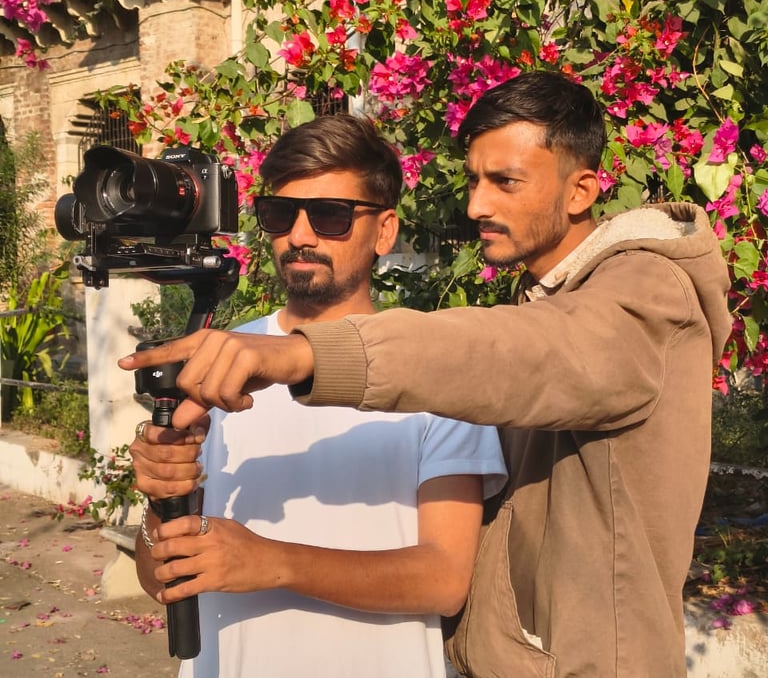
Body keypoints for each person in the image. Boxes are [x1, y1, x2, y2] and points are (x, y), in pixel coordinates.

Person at [121, 72, 733, 678]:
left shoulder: (645, 295)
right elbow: (167, 568)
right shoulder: (231, 360)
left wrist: (301, 358)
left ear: (580, 192)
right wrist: (161, 499)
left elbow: (530, 354)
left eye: (505, 181)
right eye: (280, 213)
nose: (475, 206)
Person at [128, 114, 508, 678]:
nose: (300, 236)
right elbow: (158, 576)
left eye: (331, 215)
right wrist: (161, 501)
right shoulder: (219, 362)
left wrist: (272, 562)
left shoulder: (434, 370)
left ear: (385, 231)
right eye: (281, 214)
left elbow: (444, 579)